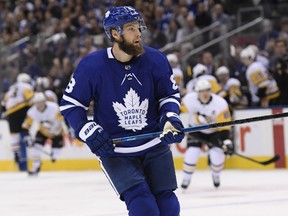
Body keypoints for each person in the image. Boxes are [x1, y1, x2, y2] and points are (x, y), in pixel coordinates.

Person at [60, 6, 185, 216]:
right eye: (131, 28)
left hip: (154, 143)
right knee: (143, 206)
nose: (138, 33)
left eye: (138, 27)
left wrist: (170, 116)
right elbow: (71, 104)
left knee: (168, 206)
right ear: (115, 34)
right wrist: (85, 129)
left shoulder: (156, 59)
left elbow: (168, 96)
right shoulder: (92, 65)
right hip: (116, 151)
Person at [180, 79, 233, 190]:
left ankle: (216, 175)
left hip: (215, 132)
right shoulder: (189, 99)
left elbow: (225, 125)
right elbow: (177, 109)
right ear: (197, 92)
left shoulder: (220, 103)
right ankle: (186, 178)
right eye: (202, 91)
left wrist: (225, 140)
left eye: (207, 90)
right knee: (192, 154)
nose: (205, 93)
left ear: (211, 90)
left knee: (217, 156)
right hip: (196, 130)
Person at [22, 92, 66, 176]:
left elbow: (64, 119)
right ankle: (36, 167)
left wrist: (69, 129)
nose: (40, 104)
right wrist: (27, 136)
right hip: (43, 132)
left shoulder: (54, 108)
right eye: (38, 102)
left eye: (41, 102)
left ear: (45, 101)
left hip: (57, 132)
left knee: (55, 156)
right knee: (36, 150)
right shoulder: (32, 112)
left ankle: (54, 154)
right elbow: (26, 126)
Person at [1, 73, 35, 170]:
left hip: (10, 112)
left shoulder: (12, 88)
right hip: (21, 109)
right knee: (24, 131)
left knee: (14, 135)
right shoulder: (26, 86)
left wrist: (5, 112)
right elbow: (31, 98)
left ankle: (16, 152)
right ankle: (27, 137)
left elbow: (3, 103)